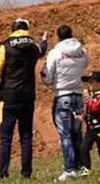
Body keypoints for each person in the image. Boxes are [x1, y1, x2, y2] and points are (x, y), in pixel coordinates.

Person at [0, 18, 48, 179]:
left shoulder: (6, 46)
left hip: (8, 97)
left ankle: (3, 174)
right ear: (26, 29)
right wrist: (44, 41)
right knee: (26, 137)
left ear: (13, 29)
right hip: (27, 97)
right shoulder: (33, 46)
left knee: (5, 139)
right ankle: (26, 173)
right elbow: (42, 51)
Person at [40, 25, 89, 181]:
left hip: (62, 97)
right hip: (78, 96)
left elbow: (46, 77)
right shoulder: (83, 51)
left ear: (58, 37)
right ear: (71, 34)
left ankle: (69, 169)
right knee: (77, 133)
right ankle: (81, 166)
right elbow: (84, 66)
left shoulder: (55, 53)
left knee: (65, 135)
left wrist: (46, 76)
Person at [79, 71, 100, 172]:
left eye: (91, 81)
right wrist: (82, 117)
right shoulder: (92, 96)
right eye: (88, 82)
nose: (89, 84)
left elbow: (95, 107)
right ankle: (86, 168)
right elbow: (89, 111)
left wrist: (87, 97)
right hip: (90, 129)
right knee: (84, 148)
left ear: (99, 83)